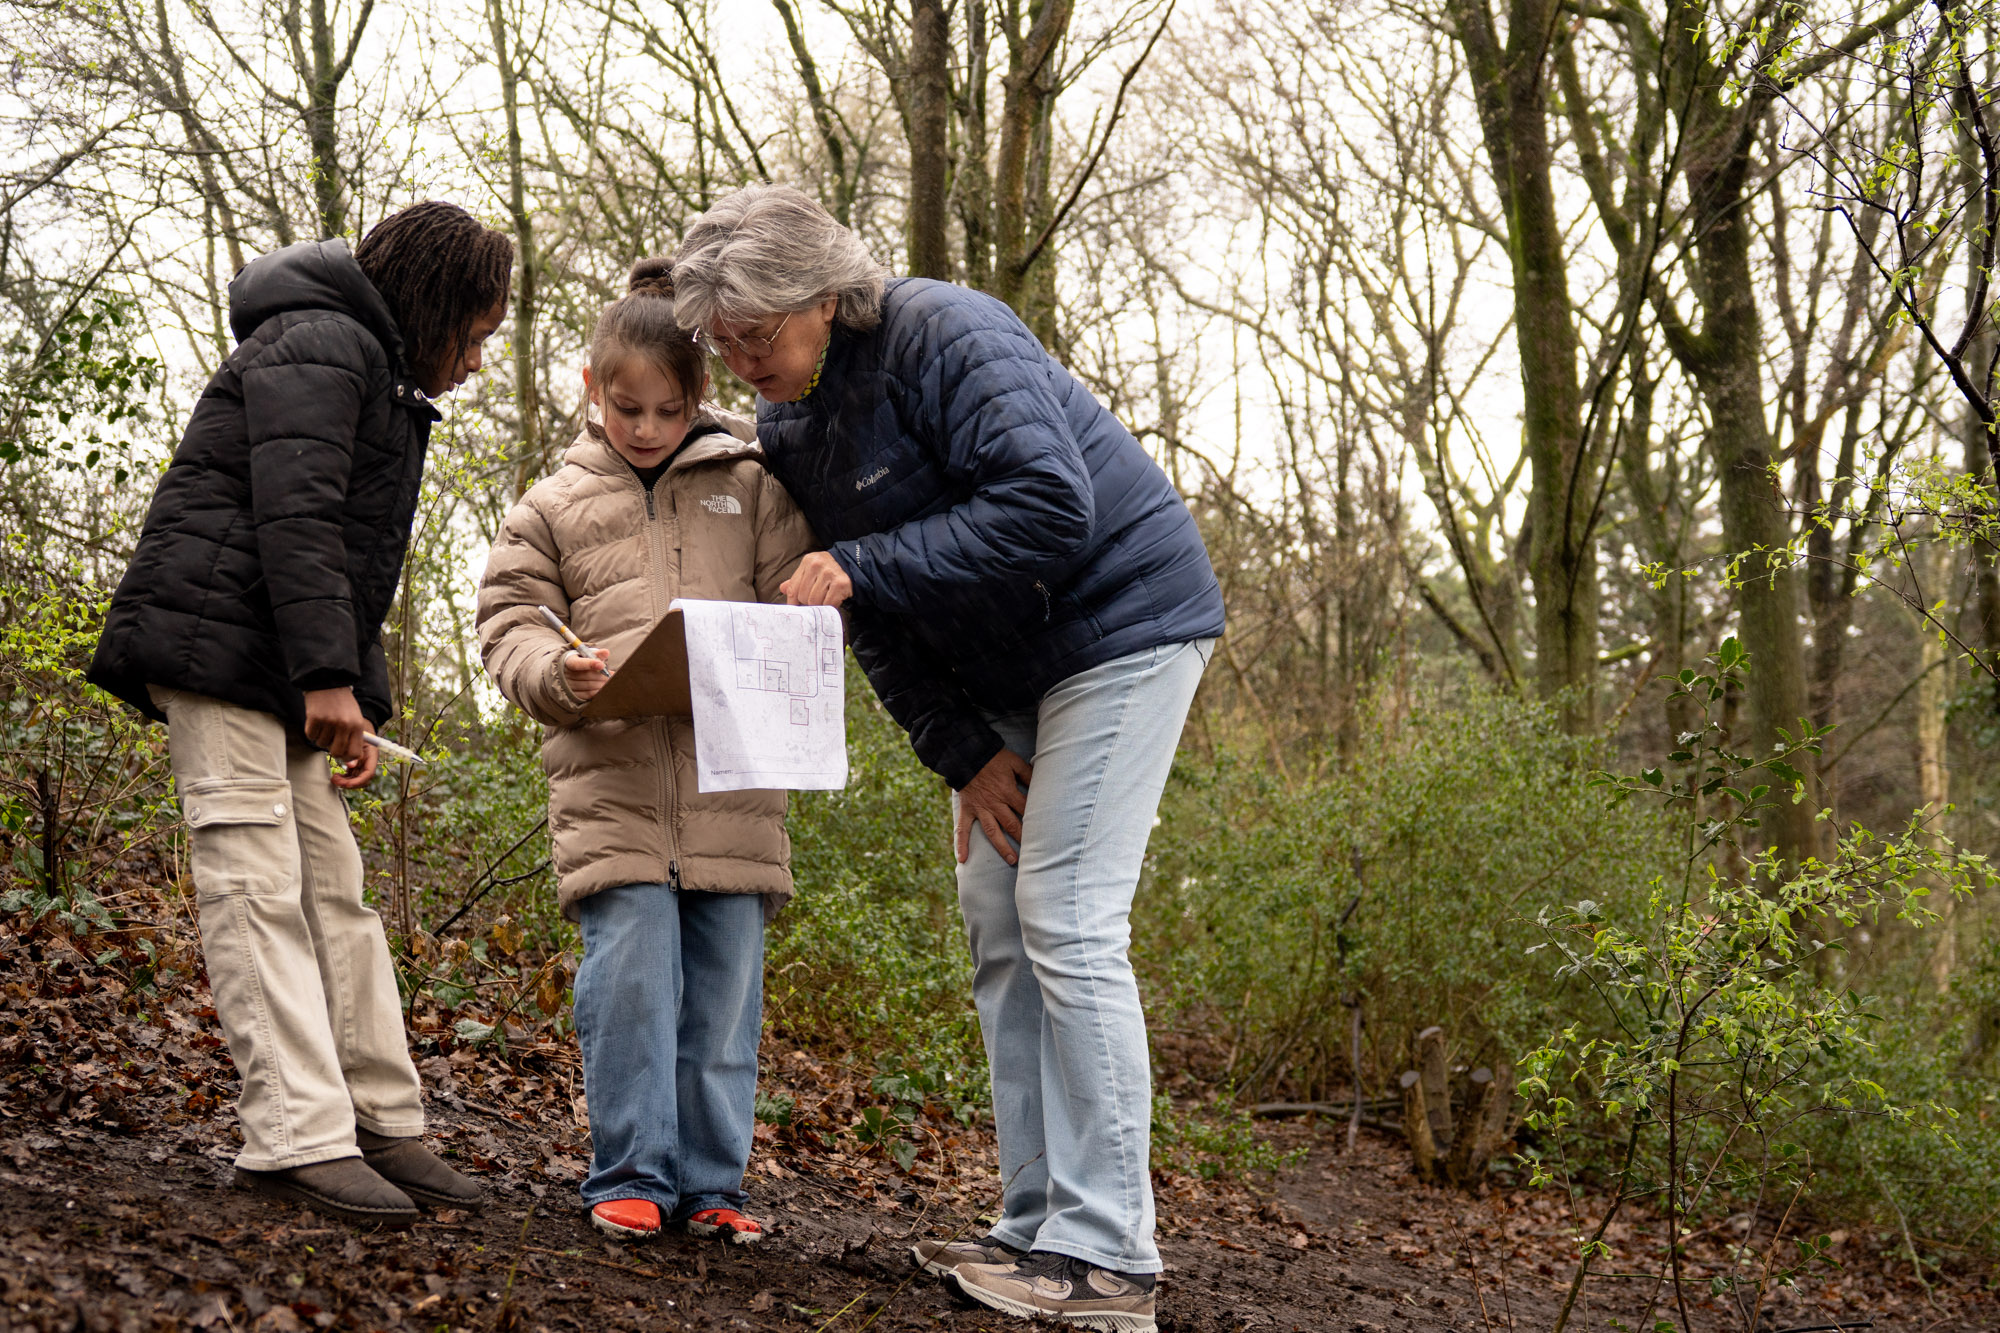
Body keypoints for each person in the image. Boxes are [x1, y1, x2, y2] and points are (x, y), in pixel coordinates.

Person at [672, 184, 1224, 1331]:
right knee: (995, 913)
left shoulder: (944, 331)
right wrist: (963, 754)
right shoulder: (788, 428)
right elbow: (862, 613)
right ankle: (1036, 1225)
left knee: (1066, 912)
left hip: (1124, 625)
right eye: (721, 343)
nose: (739, 361)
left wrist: (865, 562)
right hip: (1003, 677)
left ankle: (1111, 1256)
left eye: (753, 335)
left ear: (821, 296)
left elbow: (1047, 505)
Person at [88, 201, 512, 1224]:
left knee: (336, 890)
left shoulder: (366, 362)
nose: (478, 361)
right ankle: (294, 1134)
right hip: (216, 643)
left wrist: (355, 697)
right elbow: (295, 518)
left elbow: (350, 563)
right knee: (254, 880)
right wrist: (328, 678)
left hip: (281, 658)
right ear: (438, 305)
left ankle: (378, 1119)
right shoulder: (319, 342)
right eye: (479, 335)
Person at [475, 260, 816, 1245]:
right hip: (609, 788)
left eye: (669, 408)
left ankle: (713, 1184)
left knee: (721, 1002)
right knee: (628, 981)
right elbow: (508, 619)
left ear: (700, 395)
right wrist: (554, 671)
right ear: (591, 387)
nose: (647, 427)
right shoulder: (550, 504)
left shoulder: (754, 484)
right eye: (627, 406)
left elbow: (798, 596)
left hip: (732, 792)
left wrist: (799, 612)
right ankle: (628, 1169)